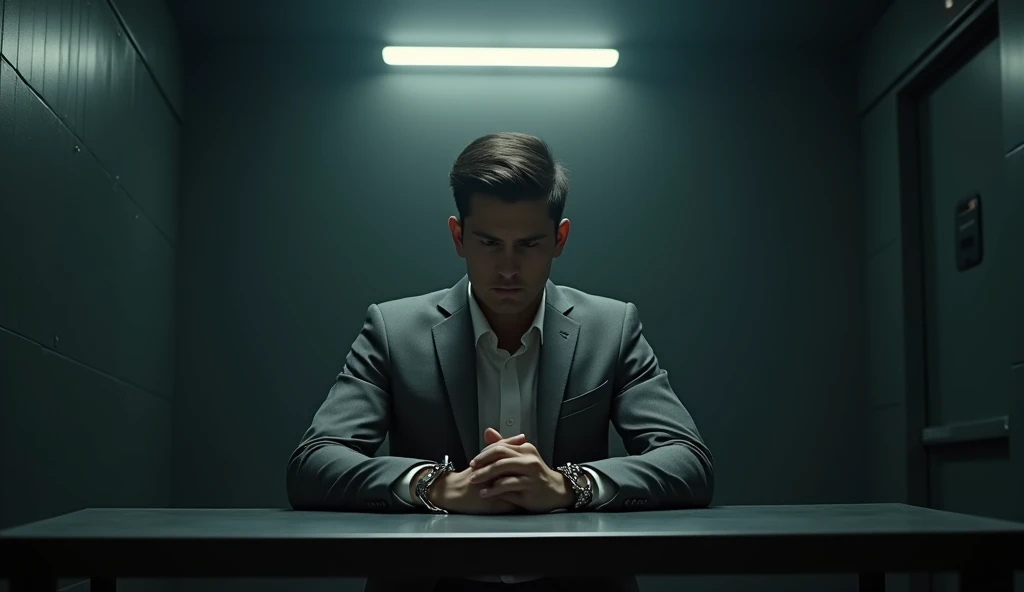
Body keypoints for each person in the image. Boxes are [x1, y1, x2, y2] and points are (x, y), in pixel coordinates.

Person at [286, 132, 714, 592]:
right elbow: (313, 463)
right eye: (489, 243)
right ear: (458, 236)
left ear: (559, 238)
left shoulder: (612, 327)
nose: (508, 268)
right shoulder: (392, 330)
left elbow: (688, 461)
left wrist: (568, 485)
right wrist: (436, 486)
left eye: (528, 245)